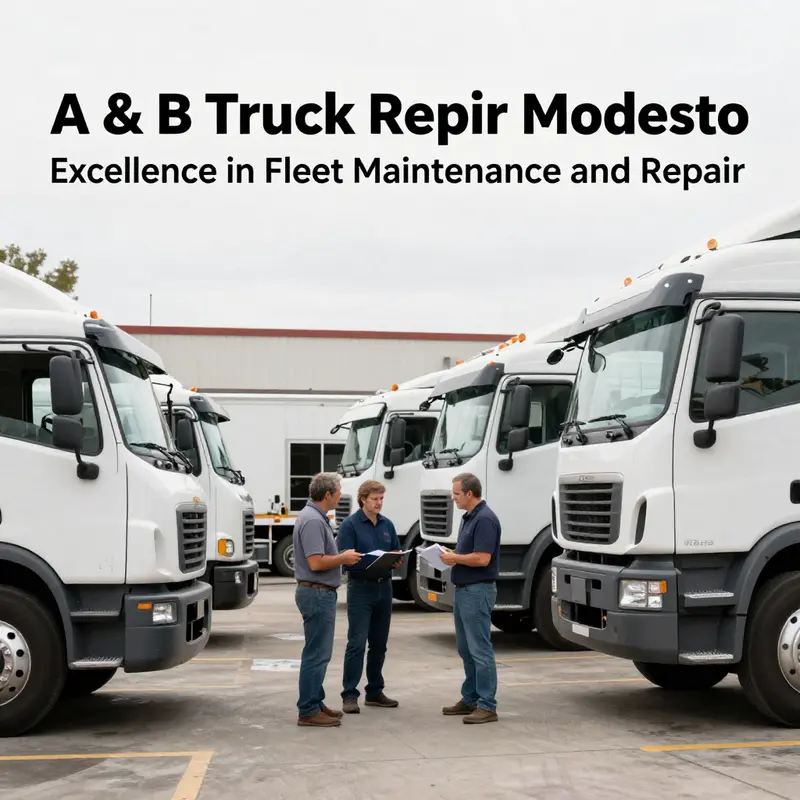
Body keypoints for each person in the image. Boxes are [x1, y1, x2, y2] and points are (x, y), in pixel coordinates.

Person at [293, 471, 362, 727]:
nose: (340, 496)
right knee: (317, 654)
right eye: (338, 492)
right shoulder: (312, 520)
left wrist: (339, 555)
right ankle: (308, 709)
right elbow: (316, 561)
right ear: (327, 494)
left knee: (318, 652)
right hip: (316, 593)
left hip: (319, 592)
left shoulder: (316, 517)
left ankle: (315, 701)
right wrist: (343, 559)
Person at [336, 479, 403, 713]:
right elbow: (344, 557)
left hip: (384, 587)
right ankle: (349, 694)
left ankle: (374, 691)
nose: (379, 503)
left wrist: (396, 557)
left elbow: (395, 549)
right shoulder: (350, 525)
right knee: (356, 642)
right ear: (363, 498)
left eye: (382, 498)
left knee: (379, 644)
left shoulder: (387, 525)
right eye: (375, 499)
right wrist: (364, 559)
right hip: (361, 588)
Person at [439, 472, 501, 724]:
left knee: (479, 649)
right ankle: (471, 698)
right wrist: (454, 554)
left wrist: (455, 559)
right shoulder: (469, 518)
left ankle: (487, 705)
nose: (453, 498)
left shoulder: (485, 519)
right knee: (466, 649)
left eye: (456, 494)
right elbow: (471, 553)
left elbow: (483, 558)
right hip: (465, 590)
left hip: (477, 590)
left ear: (469, 494)